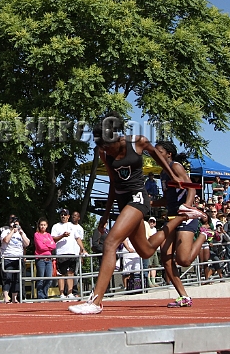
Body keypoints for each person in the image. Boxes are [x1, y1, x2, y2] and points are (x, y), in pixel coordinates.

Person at [69, 114, 202, 315]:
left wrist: (173, 175)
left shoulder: (138, 142)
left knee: (110, 242)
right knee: (146, 251)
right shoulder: (104, 152)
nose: (105, 151)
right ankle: (182, 217)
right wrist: (105, 215)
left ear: (117, 138)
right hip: (124, 202)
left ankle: (95, 301)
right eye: (102, 147)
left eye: (107, 146)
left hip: (138, 198)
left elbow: (157, 155)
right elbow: (114, 183)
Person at [152, 141, 209, 307]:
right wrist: (149, 203)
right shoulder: (163, 173)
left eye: (159, 152)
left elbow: (191, 187)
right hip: (171, 216)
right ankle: (184, 296)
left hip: (185, 216)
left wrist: (188, 207)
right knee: (165, 257)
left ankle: (205, 234)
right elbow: (167, 199)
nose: (156, 155)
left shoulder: (175, 166)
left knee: (184, 260)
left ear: (169, 154)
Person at [0, 214, 30, 303]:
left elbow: (27, 243)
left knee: (17, 279)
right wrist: (12, 231)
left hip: (18, 258)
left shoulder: (21, 232)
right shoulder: (5, 231)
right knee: (7, 277)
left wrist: (21, 233)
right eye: (13, 222)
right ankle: (6, 297)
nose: (15, 224)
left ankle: (14, 297)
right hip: (8, 257)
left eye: (16, 222)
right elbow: (5, 240)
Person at [33, 217, 55, 300]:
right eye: (41, 225)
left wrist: (46, 244)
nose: (42, 226)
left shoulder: (48, 235)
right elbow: (40, 247)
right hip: (40, 259)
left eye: (44, 225)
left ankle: (45, 294)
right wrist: (48, 245)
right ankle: (40, 295)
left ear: (47, 226)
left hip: (48, 259)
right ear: (39, 225)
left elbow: (54, 246)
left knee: (49, 278)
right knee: (41, 278)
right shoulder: (36, 234)